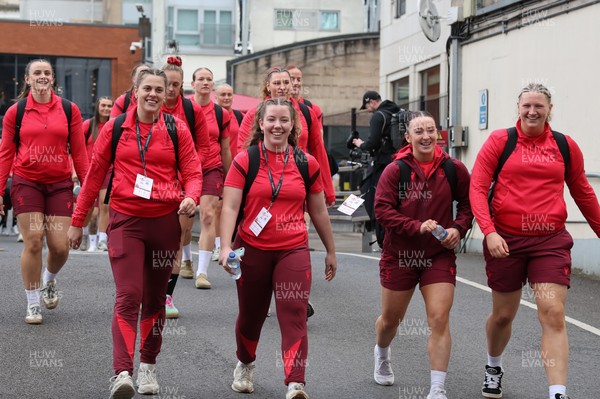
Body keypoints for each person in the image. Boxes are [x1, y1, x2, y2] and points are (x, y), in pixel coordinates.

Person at [67, 68, 202, 399]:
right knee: (128, 295)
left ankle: (148, 366)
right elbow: (95, 176)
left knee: (155, 299)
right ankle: (122, 372)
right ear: (135, 91)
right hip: (126, 222)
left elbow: (193, 171)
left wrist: (191, 196)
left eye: (160, 89)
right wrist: (77, 220)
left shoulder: (176, 129)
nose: (154, 94)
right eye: (148, 89)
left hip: (164, 223)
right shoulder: (115, 129)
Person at [470, 83, 600, 399]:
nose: (532, 111)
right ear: (518, 107)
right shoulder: (500, 141)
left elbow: (582, 191)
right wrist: (489, 232)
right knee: (503, 315)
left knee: (552, 312)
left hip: (550, 242)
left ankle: (557, 391)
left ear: (549, 109)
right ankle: (493, 366)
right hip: (506, 241)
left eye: (539, 106)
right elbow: (477, 188)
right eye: (527, 105)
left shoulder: (565, 146)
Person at [219, 98, 337, 399]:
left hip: (293, 248)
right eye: (271, 119)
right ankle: (245, 364)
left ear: (292, 126)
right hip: (251, 248)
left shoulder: (305, 163)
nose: (277, 125)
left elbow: (319, 211)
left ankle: (296, 381)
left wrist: (330, 251)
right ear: (261, 124)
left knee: (294, 312)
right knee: (251, 314)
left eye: (284, 120)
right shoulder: (246, 160)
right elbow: (230, 207)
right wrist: (224, 248)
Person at [372, 111, 472, 399]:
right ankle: (381, 351)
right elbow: (382, 210)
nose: (426, 136)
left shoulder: (453, 169)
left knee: (439, 317)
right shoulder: (396, 170)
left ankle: (437, 388)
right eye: (419, 131)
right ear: (408, 137)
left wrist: (459, 228)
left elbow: (468, 205)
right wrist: (416, 227)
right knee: (391, 320)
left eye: (431, 130)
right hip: (400, 254)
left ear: (438, 133)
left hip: (438, 256)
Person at [0, 58, 89, 324]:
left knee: (60, 247)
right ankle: (32, 302)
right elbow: (5, 154)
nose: (42, 76)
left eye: (47, 72)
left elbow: (80, 152)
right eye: (37, 72)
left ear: (52, 79)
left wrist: (87, 187)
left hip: (60, 184)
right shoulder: (16, 113)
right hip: (27, 182)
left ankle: (49, 280)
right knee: (34, 240)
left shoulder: (68, 109)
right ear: (27, 79)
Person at [236, 67, 335, 207]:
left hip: (299, 180)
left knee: (299, 225)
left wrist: (328, 190)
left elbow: (319, 151)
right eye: (277, 83)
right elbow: (242, 150)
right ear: (268, 86)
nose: (282, 87)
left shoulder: (306, 113)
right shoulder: (254, 114)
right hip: (263, 183)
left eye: (286, 82)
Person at [161, 56, 210, 317]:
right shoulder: (150, 106)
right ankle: (145, 288)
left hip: (183, 182)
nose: (170, 90)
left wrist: (190, 171)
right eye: (167, 84)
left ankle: (167, 296)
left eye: (176, 85)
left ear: (182, 86)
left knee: (177, 240)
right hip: (153, 183)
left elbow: (203, 146)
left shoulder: (193, 111)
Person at [185, 67, 232, 289]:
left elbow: (225, 148)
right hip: (183, 168)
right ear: (192, 83)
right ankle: (186, 259)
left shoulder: (221, 113)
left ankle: (202, 273)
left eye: (209, 79)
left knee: (207, 216)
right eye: (201, 79)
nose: (205, 82)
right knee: (183, 221)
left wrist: (231, 179)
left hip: (211, 167)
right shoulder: (183, 108)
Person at [352, 90, 400, 247]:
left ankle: (381, 235)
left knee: (375, 196)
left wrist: (360, 144)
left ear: (371, 101)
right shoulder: (397, 111)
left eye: (366, 105)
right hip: (398, 161)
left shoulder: (378, 116)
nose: (367, 109)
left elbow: (372, 143)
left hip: (382, 164)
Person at [79, 96, 113, 252]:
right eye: (103, 105)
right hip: (90, 171)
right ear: (98, 107)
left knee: (104, 206)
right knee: (88, 208)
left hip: (109, 171)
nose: (106, 109)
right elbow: (77, 149)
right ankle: (85, 235)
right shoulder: (88, 125)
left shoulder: (114, 126)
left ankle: (102, 240)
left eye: (109, 106)